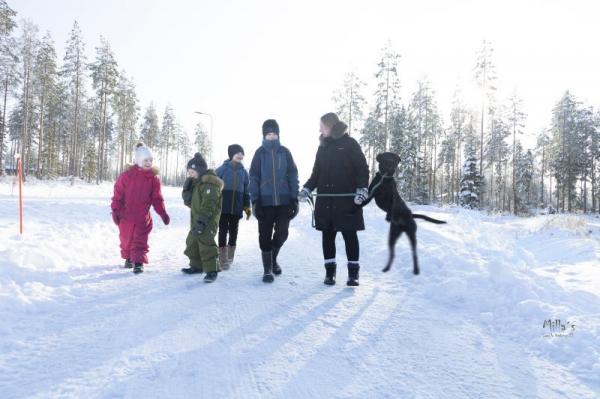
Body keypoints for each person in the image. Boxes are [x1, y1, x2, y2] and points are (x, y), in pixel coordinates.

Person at [299, 113, 369, 286]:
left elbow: (362, 168)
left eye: (322, 126)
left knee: (349, 236)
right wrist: (307, 189)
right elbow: (316, 174)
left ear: (331, 126)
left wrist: (362, 189)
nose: (320, 129)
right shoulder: (322, 147)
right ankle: (330, 273)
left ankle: (353, 274)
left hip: (347, 202)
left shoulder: (350, 144)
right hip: (326, 201)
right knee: (327, 237)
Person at [249, 119, 299, 283]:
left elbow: (293, 175)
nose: (271, 137)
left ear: (278, 134)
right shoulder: (259, 153)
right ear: (264, 135)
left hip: (284, 201)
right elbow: (254, 177)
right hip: (265, 202)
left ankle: (273, 259)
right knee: (264, 235)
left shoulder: (285, 152)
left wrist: (294, 198)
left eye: (274, 134)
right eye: (268, 134)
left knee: (282, 233)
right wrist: (255, 200)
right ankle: (267, 269)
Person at [111, 142, 170, 274]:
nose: (148, 163)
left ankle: (138, 262)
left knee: (140, 239)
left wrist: (162, 212)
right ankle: (128, 258)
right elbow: (117, 194)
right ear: (138, 160)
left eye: (150, 160)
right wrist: (115, 210)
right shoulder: (126, 176)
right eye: (145, 160)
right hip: (126, 215)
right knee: (126, 239)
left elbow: (157, 198)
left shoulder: (153, 178)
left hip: (142, 216)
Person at [180, 152, 225, 283]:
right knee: (192, 242)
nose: (190, 174)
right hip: (197, 219)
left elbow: (209, 204)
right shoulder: (197, 184)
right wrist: (187, 191)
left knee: (206, 243)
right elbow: (190, 203)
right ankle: (197, 266)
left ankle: (212, 270)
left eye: (192, 171)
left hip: (208, 220)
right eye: (189, 172)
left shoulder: (210, 183)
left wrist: (202, 221)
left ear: (200, 170)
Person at [215, 144, 251, 269]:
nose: (240, 155)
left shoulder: (244, 172)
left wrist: (247, 207)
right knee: (223, 230)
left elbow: (246, 191)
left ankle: (230, 256)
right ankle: (222, 258)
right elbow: (214, 185)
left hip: (237, 207)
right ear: (231, 155)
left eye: (242, 153)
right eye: (238, 153)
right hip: (223, 207)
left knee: (234, 231)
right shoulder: (222, 169)